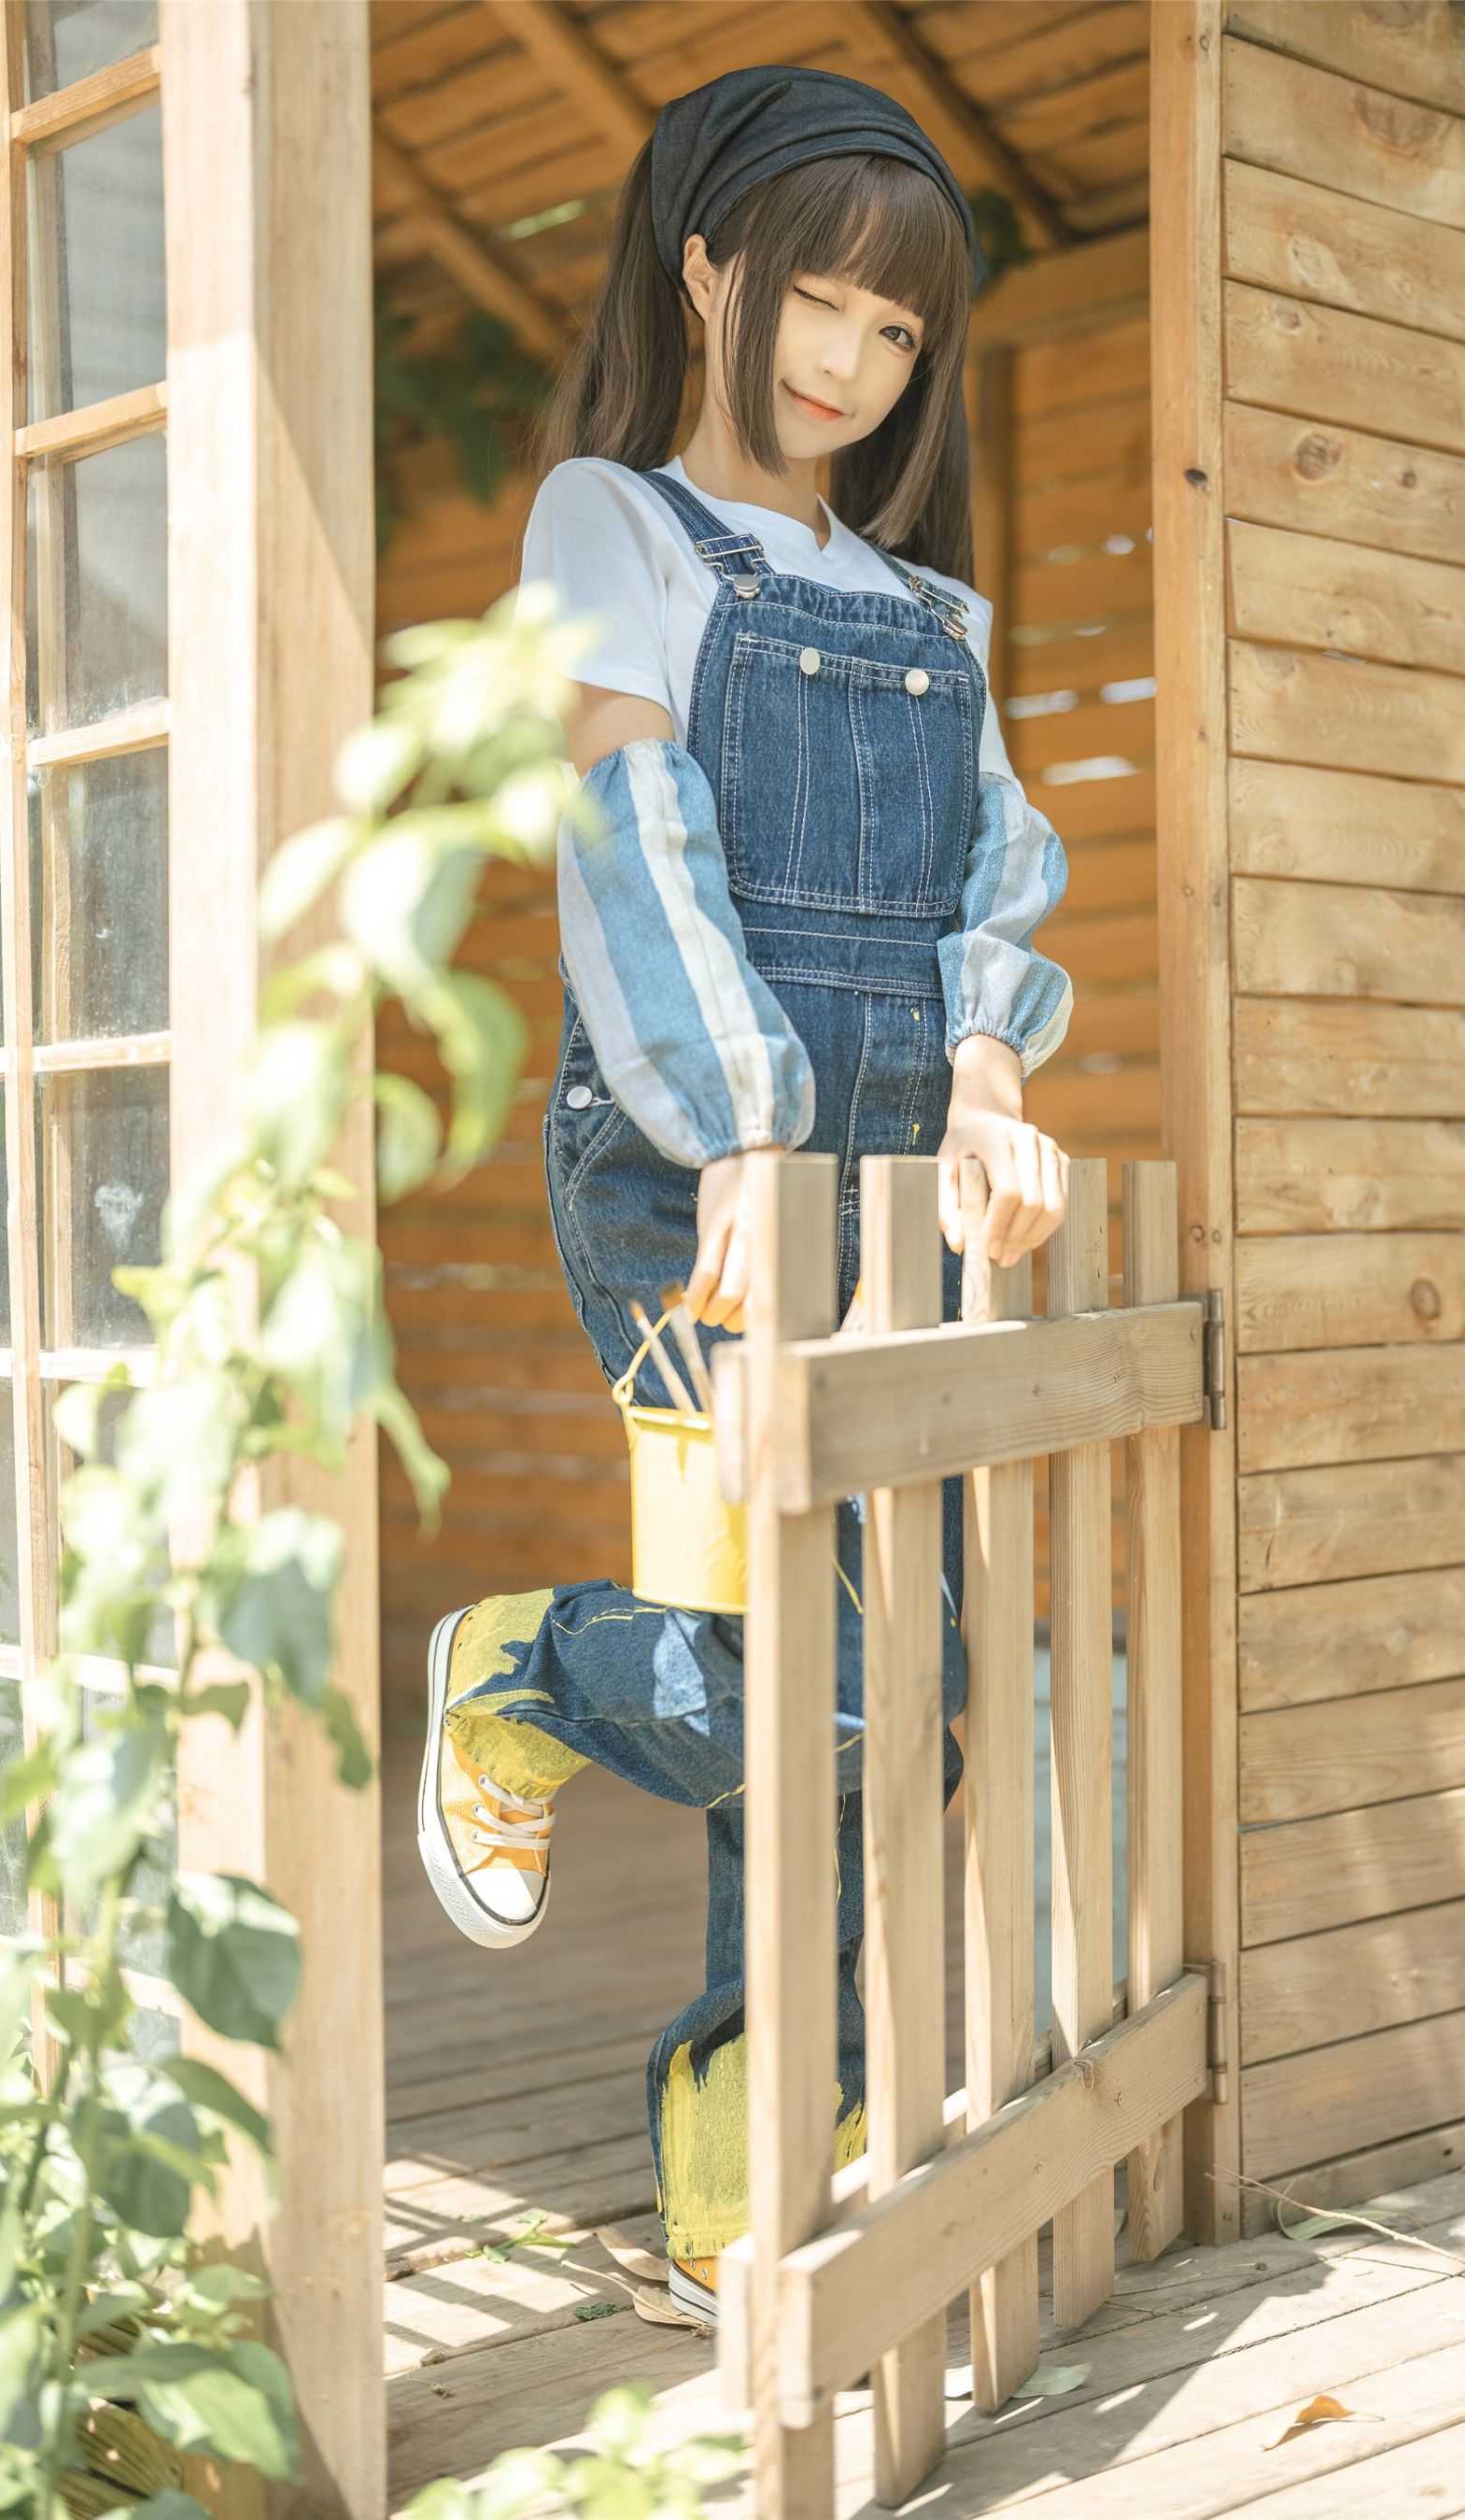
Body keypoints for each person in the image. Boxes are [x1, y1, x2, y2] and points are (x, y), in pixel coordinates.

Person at [415, 64, 1072, 2329]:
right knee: (823, 1676)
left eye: (899, 331)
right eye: (820, 301)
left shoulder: (937, 609)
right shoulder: (612, 521)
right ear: (709, 270)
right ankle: (529, 1663)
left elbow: (997, 870)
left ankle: (751, 2131)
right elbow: (630, 831)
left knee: (900, 1683)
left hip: (893, 1196)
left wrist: (988, 1076)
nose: (854, 363)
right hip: (691, 1168)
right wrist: (743, 1130)